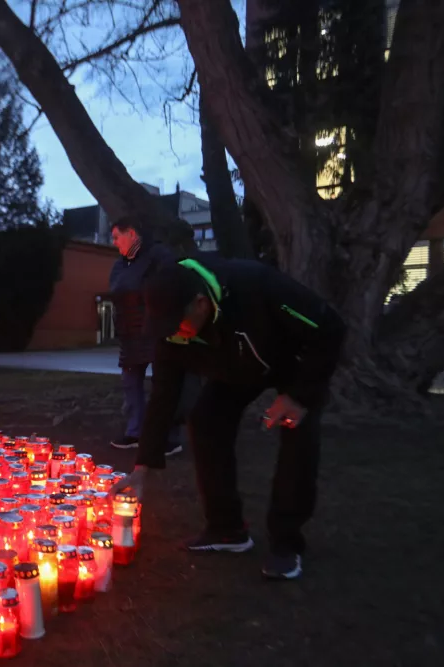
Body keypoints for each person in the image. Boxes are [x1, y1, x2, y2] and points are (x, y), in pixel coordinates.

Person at [111, 256, 345, 580]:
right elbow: (164, 397)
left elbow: (330, 328)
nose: (176, 334)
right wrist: (142, 467)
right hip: (236, 368)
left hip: (295, 364)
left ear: (200, 303)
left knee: (297, 433)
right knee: (206, 420)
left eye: (179, 324)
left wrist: (298, 396)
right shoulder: (172, 333)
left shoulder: (257, 285)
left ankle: (286, 543)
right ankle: (227, 529)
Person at [107, 218, 197, 454]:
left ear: (131, 233)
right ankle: (135, 431)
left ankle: (168, 436)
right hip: (130, 333)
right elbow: (118, 287)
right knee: (131, 383)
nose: (114, 242)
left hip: (157, 330)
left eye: (116, 237)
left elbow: (164, 286)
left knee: (165, 384)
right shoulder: (121, 264)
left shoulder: (159, 256)